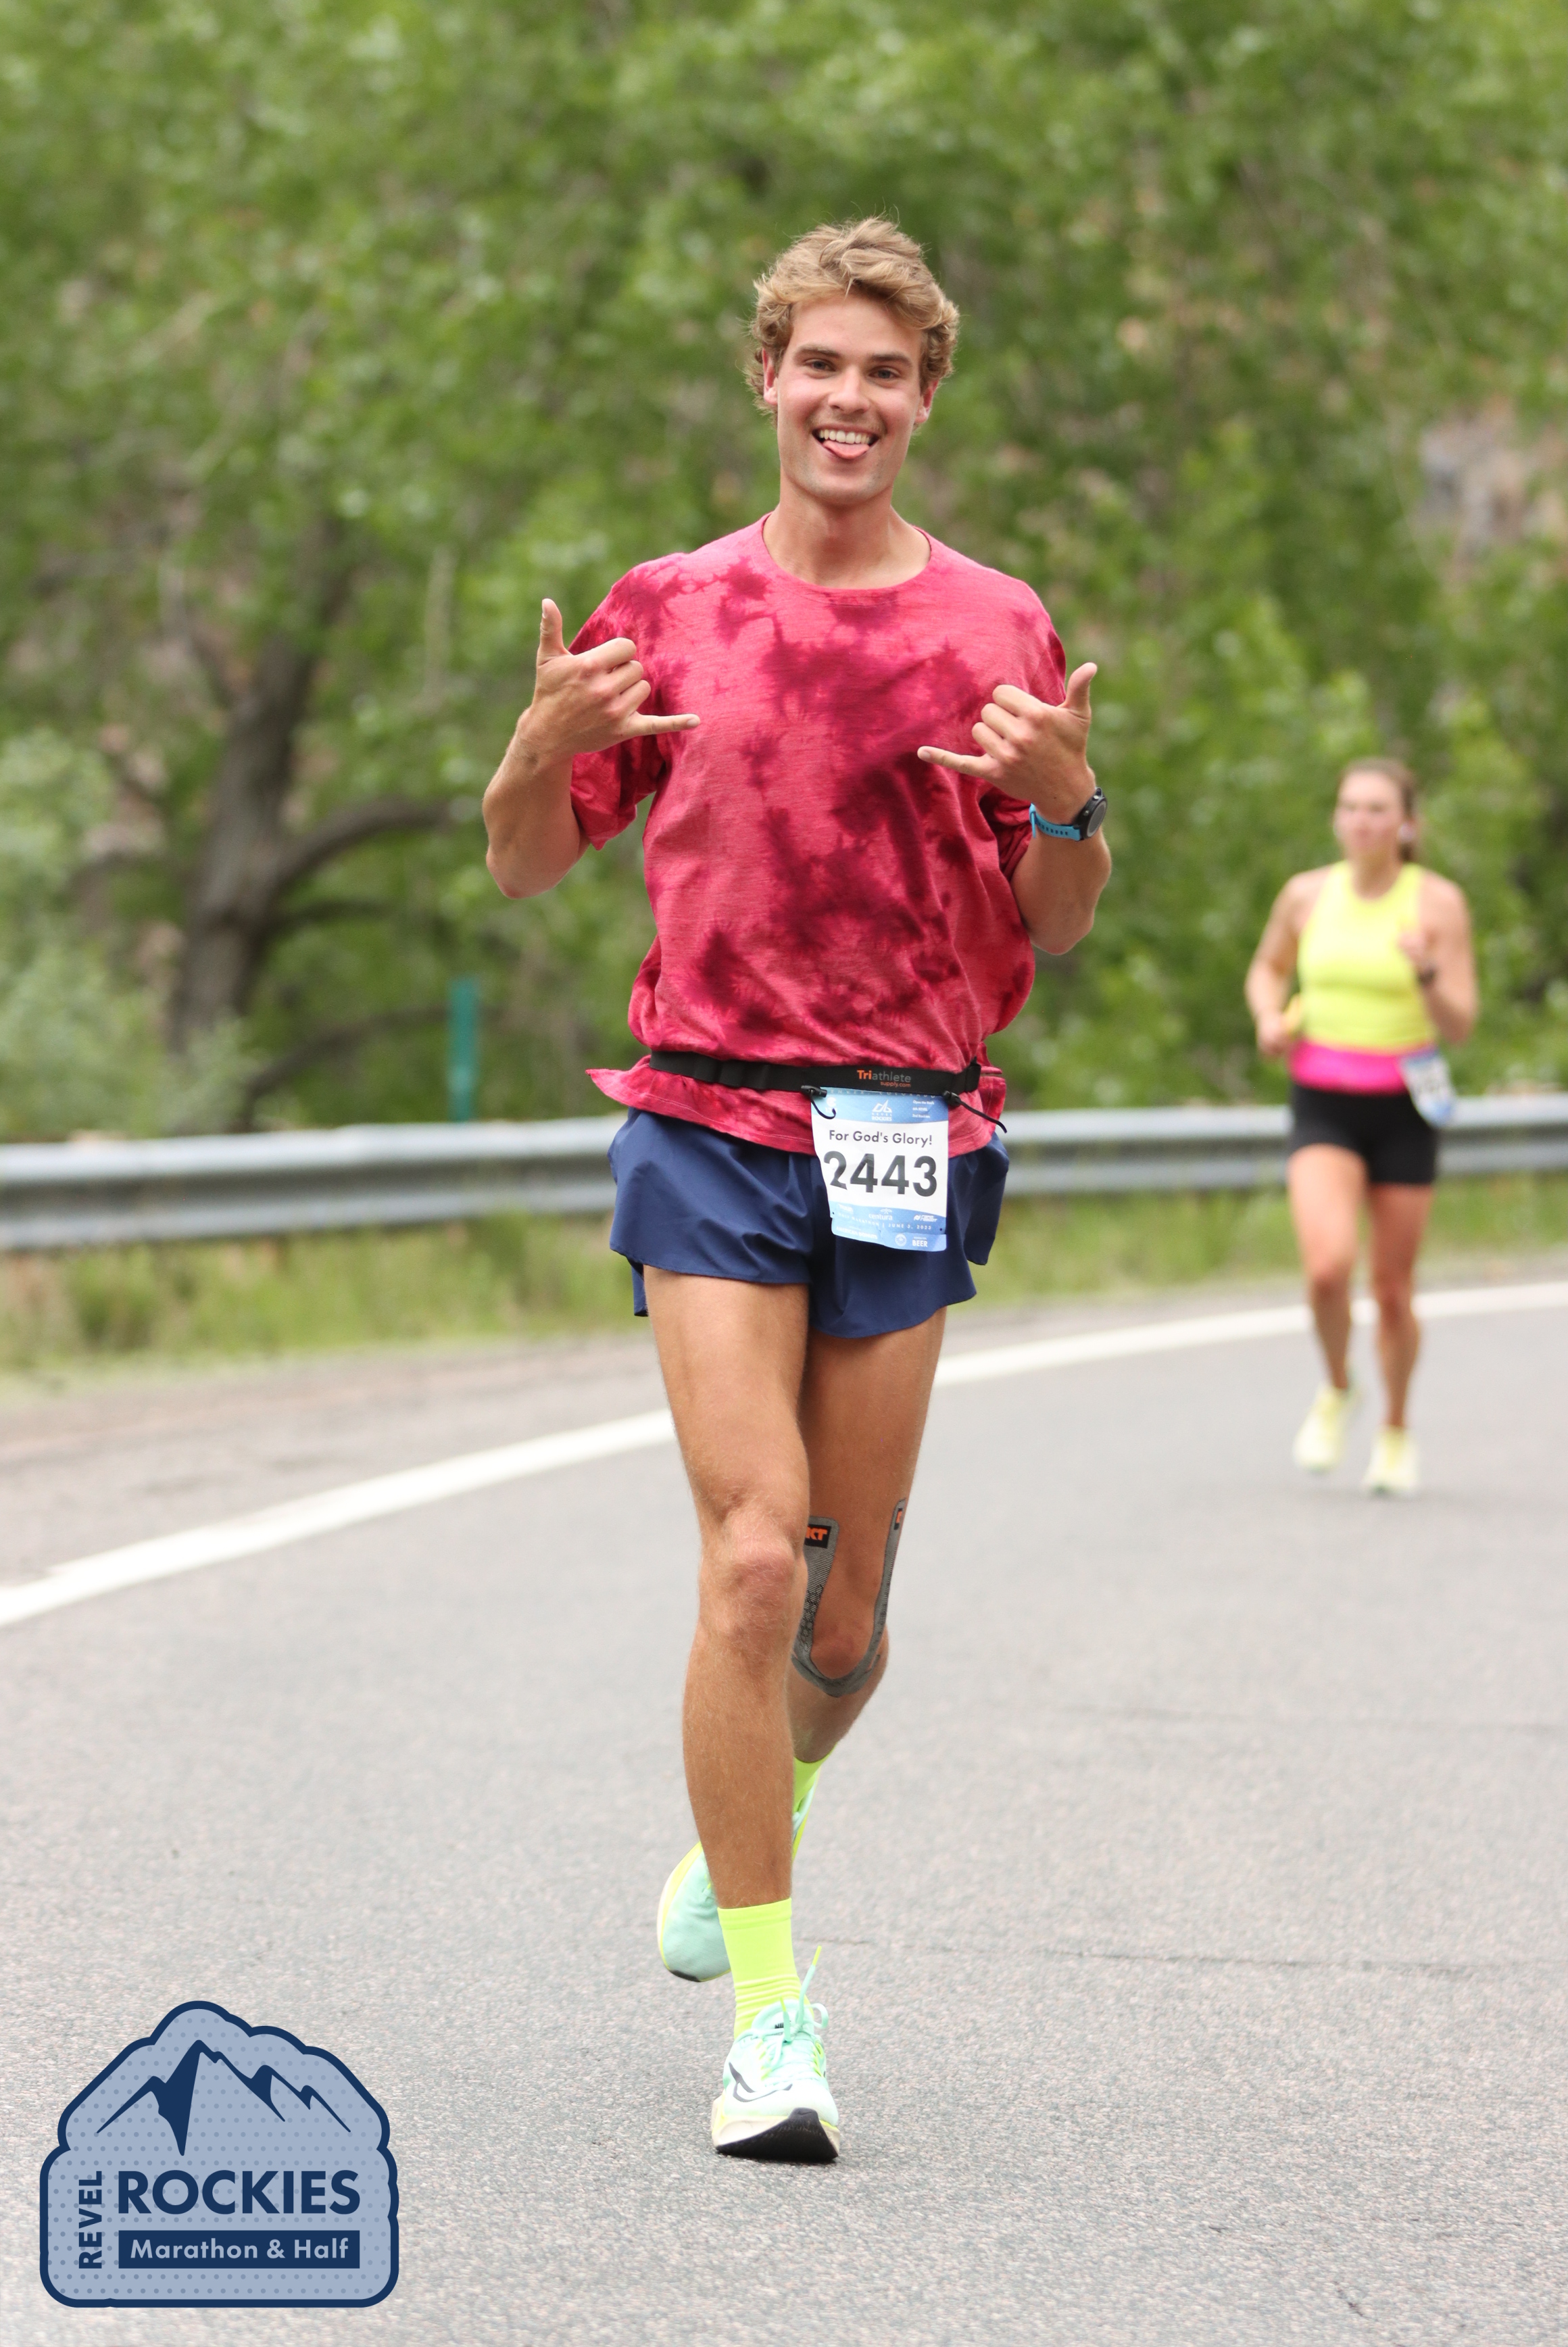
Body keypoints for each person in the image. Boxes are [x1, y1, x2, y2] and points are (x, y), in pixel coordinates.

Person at [482, 218, 1110, 2162]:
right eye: (819, 364)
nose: (850, 399)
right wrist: (537, 748)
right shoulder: (668, 606)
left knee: (842, 1624)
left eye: (885, 373)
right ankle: (772, 2020)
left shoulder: (996, 626)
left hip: (906, 1130)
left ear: (925, 400)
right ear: (767, 377)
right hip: (707, 1115)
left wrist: (1073, 802)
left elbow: (1059, 920)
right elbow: (524, 860)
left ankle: (770, 1800)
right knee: (753, 1558)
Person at [1245, 758, 1477, 1495]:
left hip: (1404, 1104)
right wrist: (1268, 1017)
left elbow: (1460, 1024)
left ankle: (1396, 1429)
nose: (1361, 821)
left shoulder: (1437, 903)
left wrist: (1427, 973)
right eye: (1350, 807)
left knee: (1393, 1287)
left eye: (1378, 809)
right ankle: (1339, 1386)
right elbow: (1266, 968)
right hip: (1323, 1101)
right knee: (1326, 1270)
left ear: (1406, 823)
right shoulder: (1306, 894)